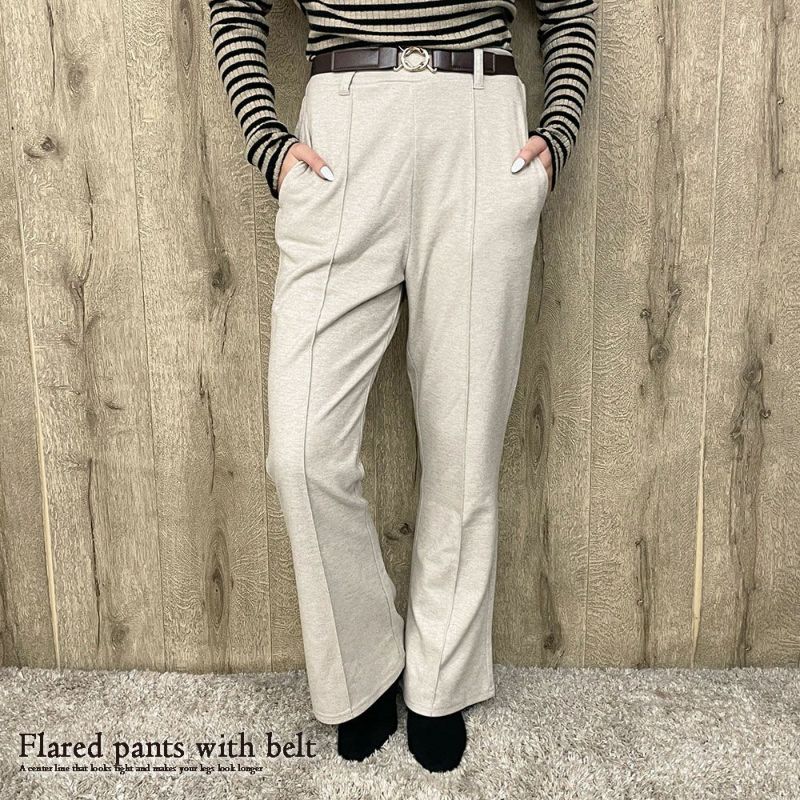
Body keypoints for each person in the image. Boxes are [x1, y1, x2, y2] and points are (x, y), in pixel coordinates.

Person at [208, 0, 597, 773]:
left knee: (464, 443)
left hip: (479, 125)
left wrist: (555, 139)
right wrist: (268, 142)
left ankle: (440, 682)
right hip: (343, 129)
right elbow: (234, 8)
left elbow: (572, 14)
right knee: (303, 452)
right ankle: (363, 669)